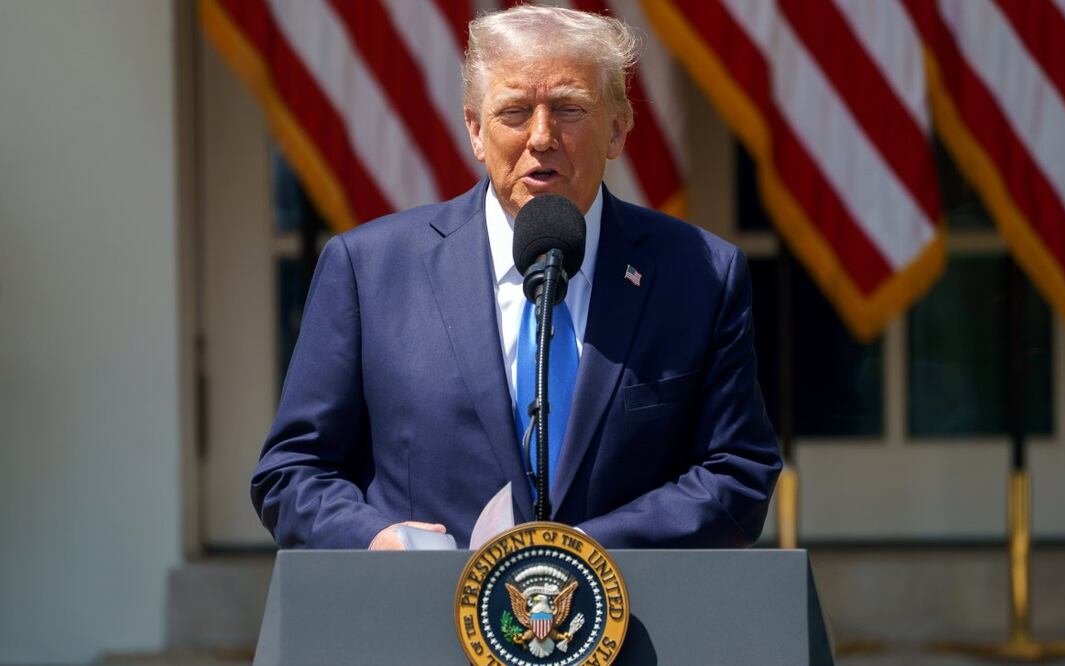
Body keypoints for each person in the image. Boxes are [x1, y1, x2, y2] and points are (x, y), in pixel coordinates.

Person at [251, 5, 782, 551]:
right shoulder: (369, 270)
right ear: (476, 131)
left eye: (570, 109)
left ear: (619, 129)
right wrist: (375, 537)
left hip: (632, 622)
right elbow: (292, 473)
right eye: (514, 112)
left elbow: (738, 473)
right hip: (425, 619)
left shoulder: (698, 274)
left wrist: (581, 552)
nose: (542, 136)